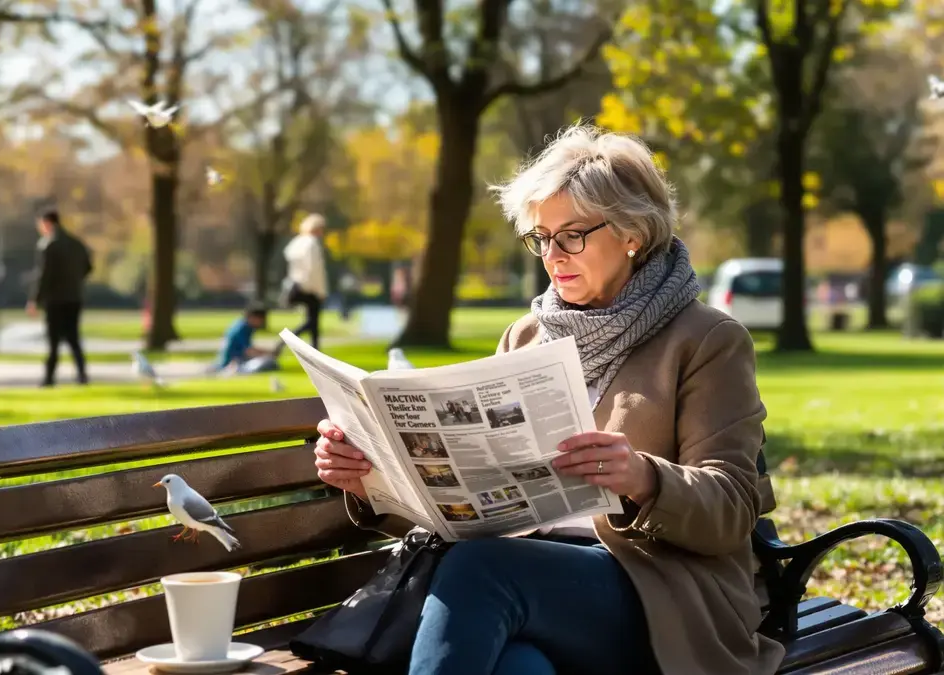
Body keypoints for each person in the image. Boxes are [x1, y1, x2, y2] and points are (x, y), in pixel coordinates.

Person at [312, 124, 783, 675]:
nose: (552, 255)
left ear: (632, 233)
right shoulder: (525, 336)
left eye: (572, 235)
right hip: (527, 584)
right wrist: (371, 479)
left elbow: (731, 510)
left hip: (660, 591)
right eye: (540, 237)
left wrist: (643, 478)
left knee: (482, 569)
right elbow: (470, 509)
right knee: (516, 664)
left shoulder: (706, 339)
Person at [28, 209, 93, 386]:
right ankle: (81, 374)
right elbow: (88, 267)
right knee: (73, 337)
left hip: (55, 299)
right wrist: (74, 280)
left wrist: (35, 299)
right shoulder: (77, 244)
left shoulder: (48, 244)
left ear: (47, 223)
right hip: (74, 297)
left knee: (53, 340)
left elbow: (44, 275)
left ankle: (49, 377)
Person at [282, 213, 328, 349]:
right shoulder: (312, 244)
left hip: (296, 284)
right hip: (309, 287)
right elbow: (315, 270)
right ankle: (286, 340)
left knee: (313, 323)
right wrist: (321, 291)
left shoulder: (297, 242)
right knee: (312, 322)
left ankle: (315, 349)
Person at [211, 304, 274, 374]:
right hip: (233, 362)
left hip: (231, 360)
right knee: (268, 362)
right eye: (261, 320)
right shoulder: (243, 329)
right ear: (254, 317)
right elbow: (249, 351)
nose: (261, 323)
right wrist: (269, 353)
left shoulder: (241, 324)